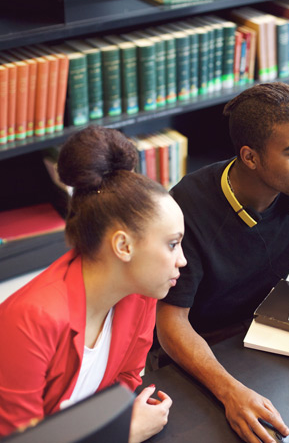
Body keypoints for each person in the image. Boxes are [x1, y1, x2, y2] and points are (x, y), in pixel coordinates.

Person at [156, 82, 289, 443]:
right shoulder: (188, 208)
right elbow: (170, 326)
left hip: (260, 337)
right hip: (198, 354)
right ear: (250, 157)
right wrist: (229, 392)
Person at [0, 126, 187, 441]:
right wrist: (123, 434)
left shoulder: (140, 294)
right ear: (123, 246)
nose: (182, 260)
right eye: (172, 244)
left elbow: (124, 381)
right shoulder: (29, 320)